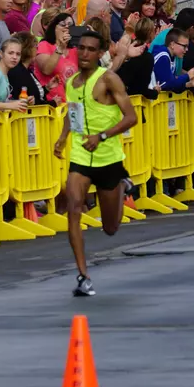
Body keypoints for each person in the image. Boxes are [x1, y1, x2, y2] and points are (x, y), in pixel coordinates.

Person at [54, 29, 137, 297]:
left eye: (91, 49)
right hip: (80, 155)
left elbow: (131, 117)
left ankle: (122, 185)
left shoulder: (109, 79)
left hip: (107, 157)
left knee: (110, 228)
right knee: (73, 208)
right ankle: (82, 275)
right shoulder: (72, 83)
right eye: (81, 48)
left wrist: (101, 136)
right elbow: (72, 111)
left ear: (101, 54)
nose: (85, 53)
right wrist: (63, 138)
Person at [34, 13, 78, 105]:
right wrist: (60, 48)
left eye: (70, 25)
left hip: (71, 103)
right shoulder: (44, 45)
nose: (66, 27)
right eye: (62, 24)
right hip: (51, 103)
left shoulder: (74, 49)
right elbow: (46, 70)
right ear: (54, 27)